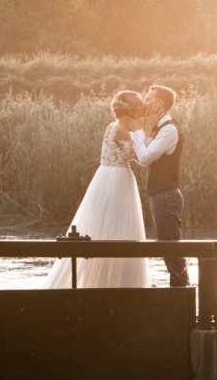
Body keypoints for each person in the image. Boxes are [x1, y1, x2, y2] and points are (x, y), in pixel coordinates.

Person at [45, 91, 150, 288]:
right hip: (117, 180)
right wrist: (143, 131)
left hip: (105, 176)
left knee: (106, 226)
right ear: (132, 109)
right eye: (140, 104)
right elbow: (141, 157)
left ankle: (105, 282)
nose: (144, 106)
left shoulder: (113, 126)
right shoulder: (122, 130)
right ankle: (115, 285)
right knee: (117, 227)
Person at [119, 85, 190, 287]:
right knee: (169, 249)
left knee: (171, 250)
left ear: (160, 103)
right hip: (161, 194)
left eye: (148, 98)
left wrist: (139, 130)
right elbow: (147, 157)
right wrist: (147, 130)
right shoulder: (159, 127)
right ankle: (179, 294)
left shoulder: (169, 129)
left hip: (166, 195)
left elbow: (144, 157)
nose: (144, 102)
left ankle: (181, 296)